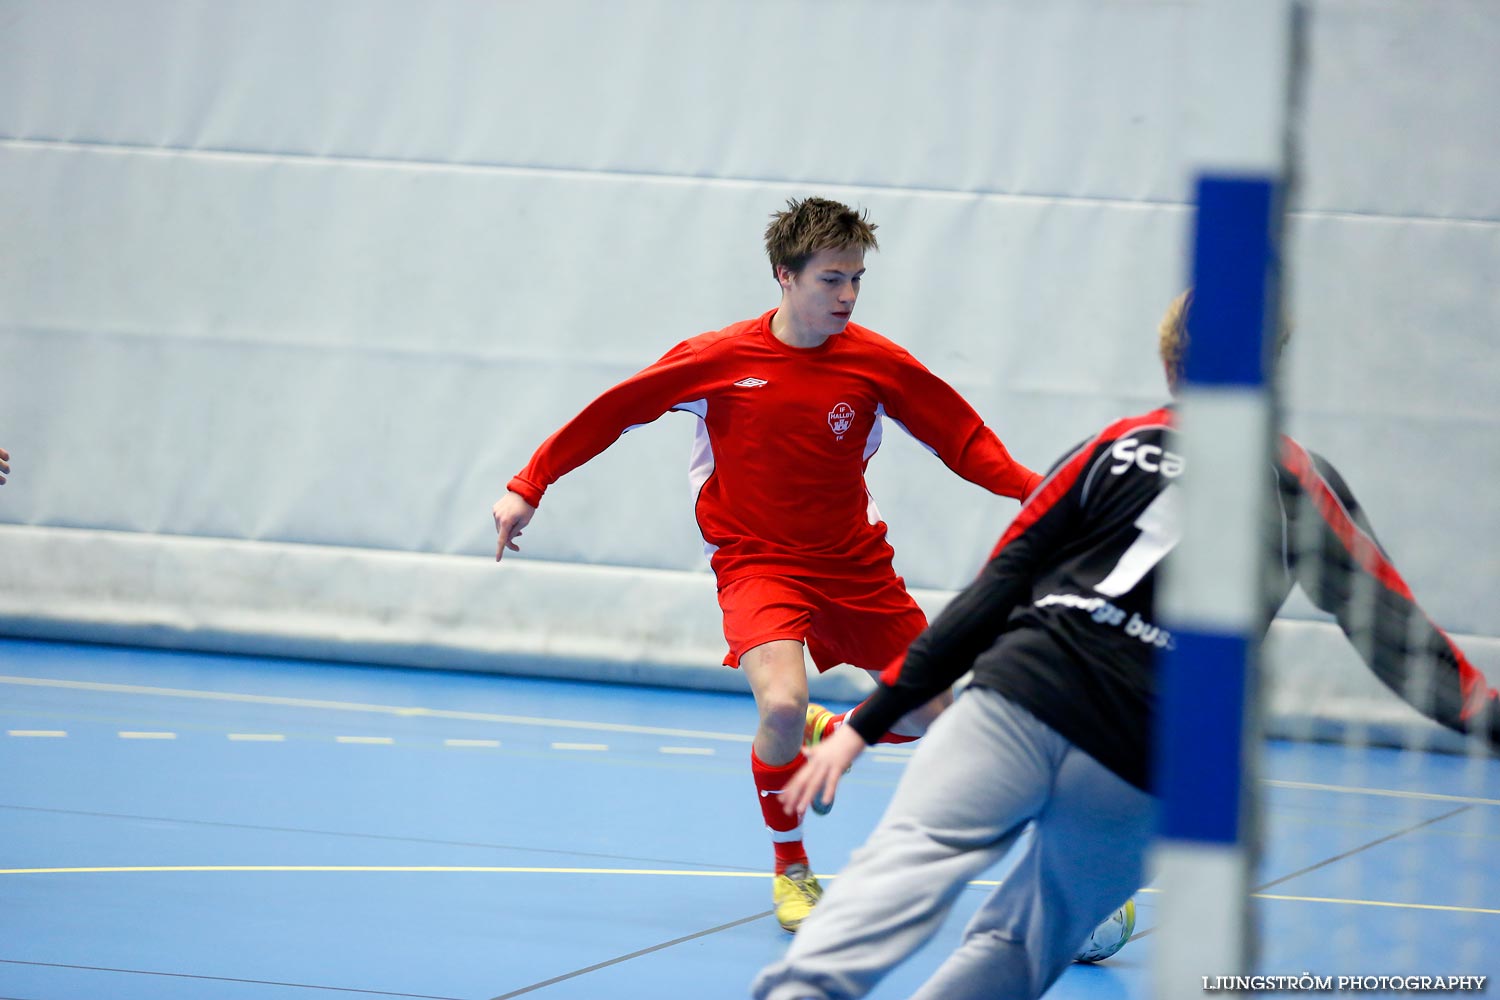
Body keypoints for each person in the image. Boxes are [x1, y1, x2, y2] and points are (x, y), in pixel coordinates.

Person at [752, 290, 1499, 1000]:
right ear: (1270, 367)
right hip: (1145, 749)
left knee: (899, 872)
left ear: (1169, 365)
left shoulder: (1111, 446)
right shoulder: (1299, 481)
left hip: (1018, 696)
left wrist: (867, 723)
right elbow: (1397, 636)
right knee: (1021, 945)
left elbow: (994, 589)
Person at [490, 197, 1041, 931]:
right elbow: (612, 411)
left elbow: (966, 443)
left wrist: (1053, 495)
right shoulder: (721, 358)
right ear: (785, 276)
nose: (847, 295)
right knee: (780, 705)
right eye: (831, 279)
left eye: (856, 280)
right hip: (757, 562)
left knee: (937, 715)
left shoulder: (876, 363)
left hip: (855, 564)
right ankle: (792, 867)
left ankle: (835, 729)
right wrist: (529, 485)